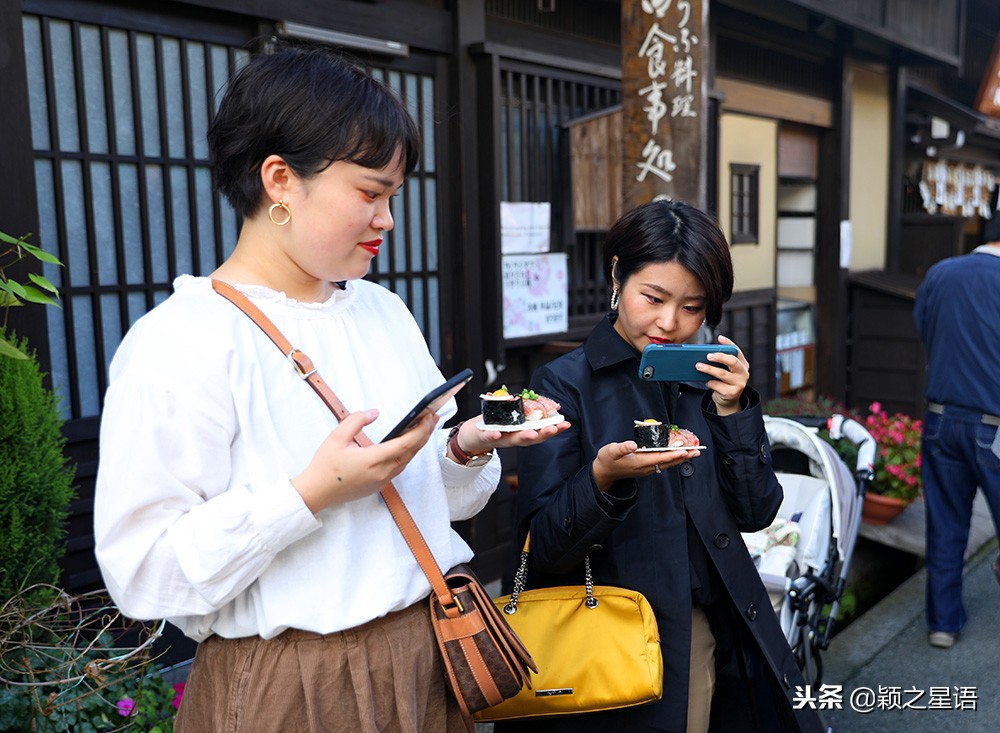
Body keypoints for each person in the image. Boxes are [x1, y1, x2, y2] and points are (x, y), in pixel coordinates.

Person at [93, 45, 567, 732]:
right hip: (288, 683)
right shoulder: (182, 339)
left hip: (427, 653)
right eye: (370, 193)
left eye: (392, 196)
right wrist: (309, 492)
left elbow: (439, 506)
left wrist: (465, 445)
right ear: (280, 179)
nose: (387, 220)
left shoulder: (383, 312)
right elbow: (142, 569)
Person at [497, 199, 824, 733]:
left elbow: (756, 510)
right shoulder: (563, 384)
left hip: (705, 624)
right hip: (604, 629)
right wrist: (604, 480)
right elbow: (544, 546)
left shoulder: (706, 382)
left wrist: (734, 411)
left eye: (692, 308)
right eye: (653, 297)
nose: (669, 323)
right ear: (616, 273)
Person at [914, 213, 1000, 650]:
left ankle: (943, 624)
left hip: (941, 418)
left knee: (946, 523)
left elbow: (925, 330)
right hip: (994, 424)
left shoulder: (940, 273)